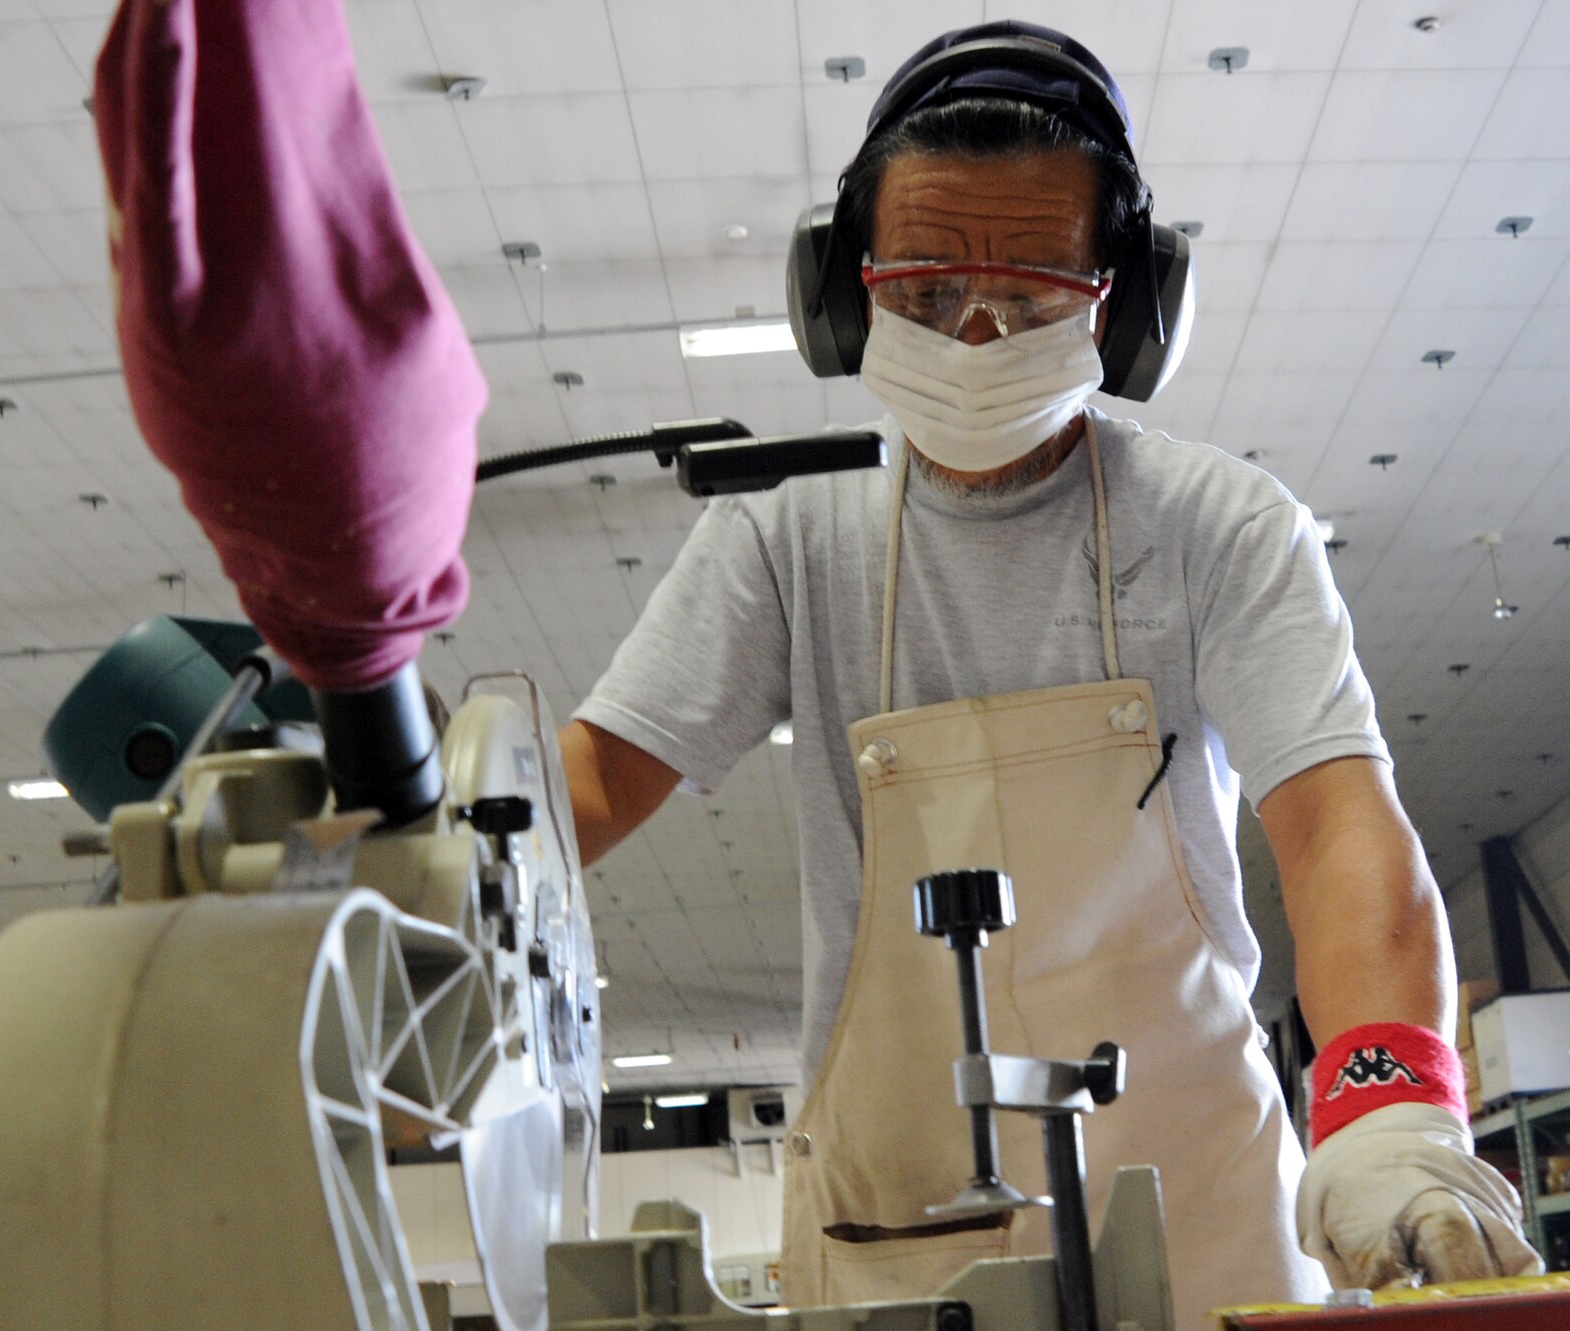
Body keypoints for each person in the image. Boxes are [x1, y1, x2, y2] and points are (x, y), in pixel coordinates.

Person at [559, 20, 1541, 1322]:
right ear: (846, 294)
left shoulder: (1214, 526)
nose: (972, 336)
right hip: (901, 1228)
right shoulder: (784, 541)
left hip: (1205, 1218)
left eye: (1027, 297)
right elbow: (579, 795)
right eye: (921, 296)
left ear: (1122, 306)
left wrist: (1388, 1106)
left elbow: (1339, 828)